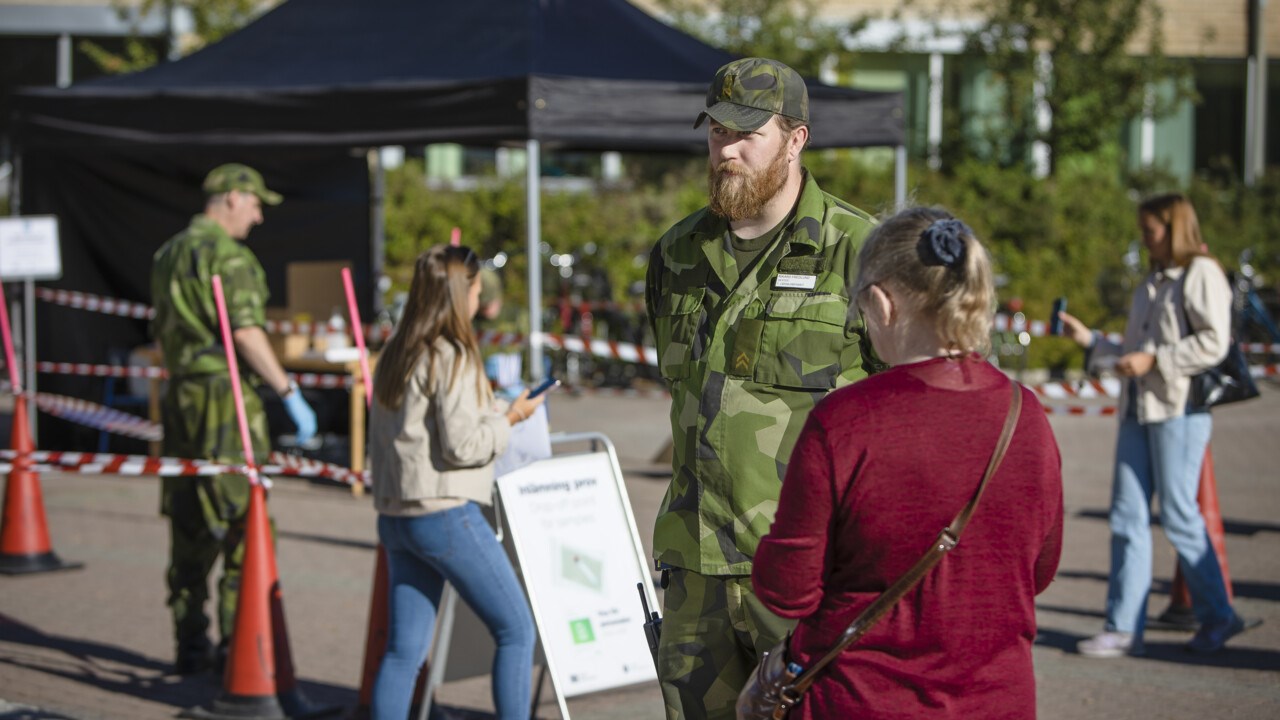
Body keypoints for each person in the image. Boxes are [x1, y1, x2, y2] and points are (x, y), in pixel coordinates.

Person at [751, 207, 1064, 718]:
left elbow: (788, 589)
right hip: (997, 700)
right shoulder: (1024, 413)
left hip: (861, 700)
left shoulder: (845, 420)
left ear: (881, 303)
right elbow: (1040, 567)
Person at [645, 56, 877, 720]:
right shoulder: (676, 255)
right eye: (717, 132)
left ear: (796, 138)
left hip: (807, 575)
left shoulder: (858, 251)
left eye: (748, 133)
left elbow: (903, 417)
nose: (728, 150)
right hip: (695, 574)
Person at [1060, 193, 1256, 657]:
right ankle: (1123, 627)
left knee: (1179, 516)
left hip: (1179, 410)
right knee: (1127, 518)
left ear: (1174, 227)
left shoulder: (1200, 273)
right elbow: (1136, 351)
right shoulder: (1152, 280)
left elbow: (1215, 342)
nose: (1145, 238)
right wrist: (1090, 341)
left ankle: (1219, 616)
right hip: (1139, 409)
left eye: (1151, 229)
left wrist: (1156, 359)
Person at [150, 163, 318, 674]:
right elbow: (246, 334)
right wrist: (288, 390)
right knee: (244, 523)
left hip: (179, 397)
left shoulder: (168, 253)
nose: (259, 215)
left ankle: (189, 640)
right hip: (225, 401)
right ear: (229, 198)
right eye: (254, 203)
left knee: (188, 520)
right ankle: (237, 645)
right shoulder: (230, 257)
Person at [368, 245, 544, 720]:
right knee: (516, 630)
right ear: (462, 291)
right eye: (476, 287)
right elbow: (463, 446)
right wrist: (511, 417)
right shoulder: (454, 353)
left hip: (396, 514)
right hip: (445, 512)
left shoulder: (396, 351)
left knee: (404, 651)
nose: (479, 296)